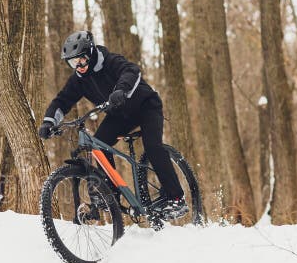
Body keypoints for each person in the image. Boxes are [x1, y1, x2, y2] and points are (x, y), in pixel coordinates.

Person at [38, 30, 187, 219]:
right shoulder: (79, 79)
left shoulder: (110, 61)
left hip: (146, 106)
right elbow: (62, 101)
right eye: (73, 62)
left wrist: (121, 91)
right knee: (99, 144)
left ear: (90, 54)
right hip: (120, 116)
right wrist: (48, 122)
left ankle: (176, 198)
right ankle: (111, 196)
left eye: (81, 59)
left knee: (153, 147)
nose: (79, 66)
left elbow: (131, 71)